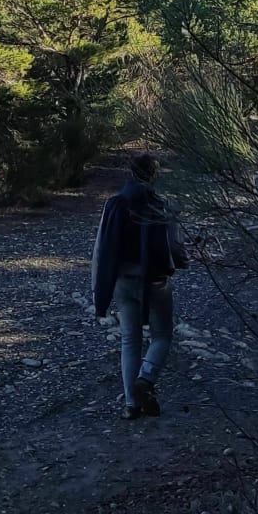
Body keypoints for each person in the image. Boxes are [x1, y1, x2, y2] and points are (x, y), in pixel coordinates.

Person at [91, 153, 189, 420]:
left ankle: (131, 405)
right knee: (162, 336)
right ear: (154, 174)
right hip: (156, 281)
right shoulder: (163, 204)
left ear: (130, 172)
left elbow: (100, 250)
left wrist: (98, 291)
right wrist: (183, 261)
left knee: (130, 340)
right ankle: (146, 379)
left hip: (124, 281)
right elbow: (175, 245)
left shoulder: (113, 205)